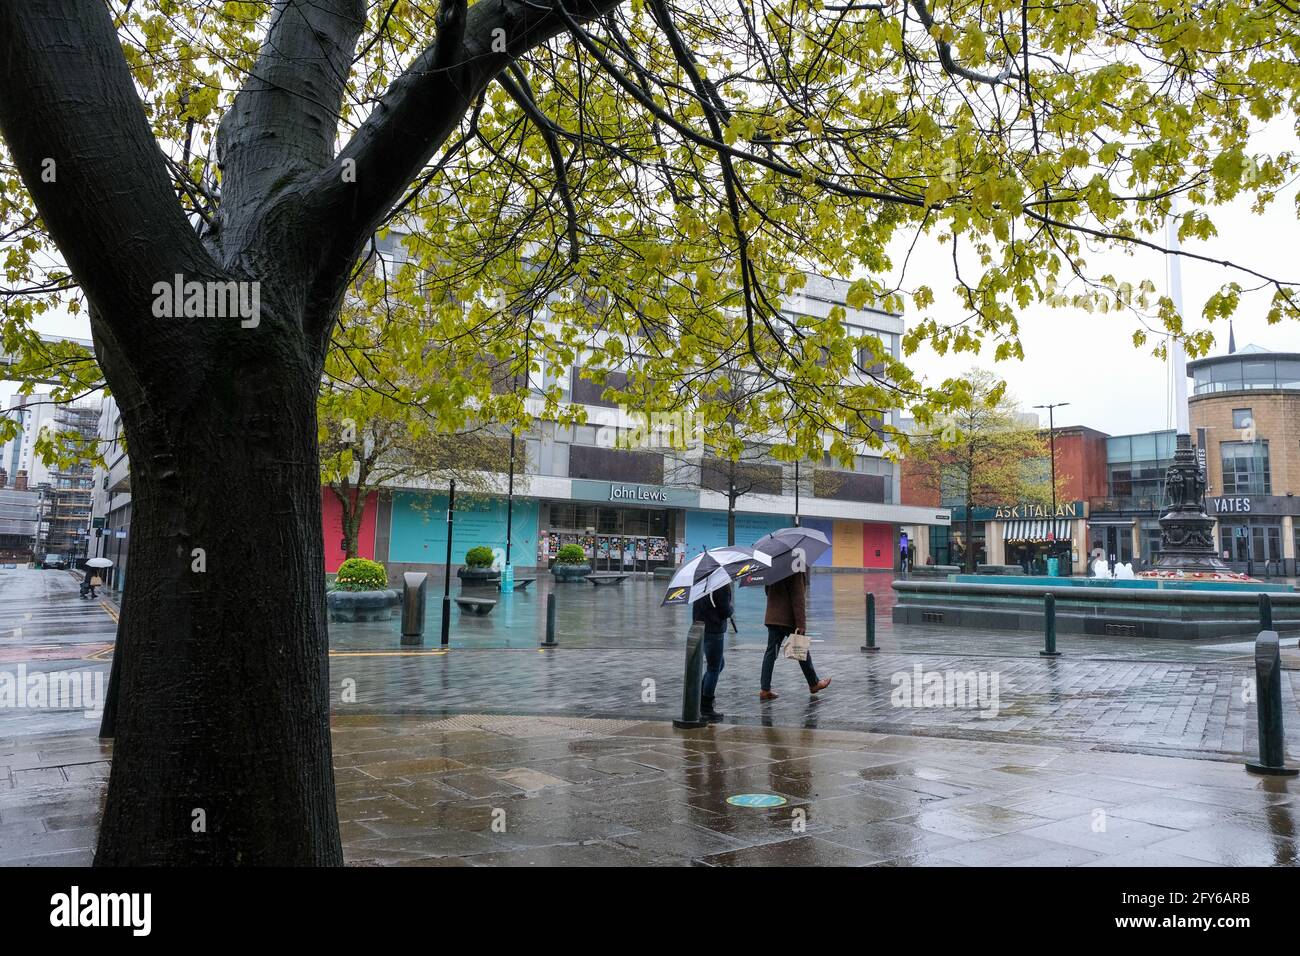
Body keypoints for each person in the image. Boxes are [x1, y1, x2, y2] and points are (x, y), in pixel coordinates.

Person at [760, 570, 830, 700]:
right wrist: (801, 624)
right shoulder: (795, 569)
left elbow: (767, 590)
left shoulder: (774, 568)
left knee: (771, 653)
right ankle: (814, 684)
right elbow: (798, 598)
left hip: (773, 617)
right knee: (801, 651)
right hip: (788, 618)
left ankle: (765, 689)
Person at [693, 583, 732, 721]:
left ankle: (698, 694)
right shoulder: (720, 584)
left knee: (719, 664)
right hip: (713, 629)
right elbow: (725, 610)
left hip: (700, 626)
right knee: (714, 668)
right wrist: (731, 609)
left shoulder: (702, 580)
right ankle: (706, 706)